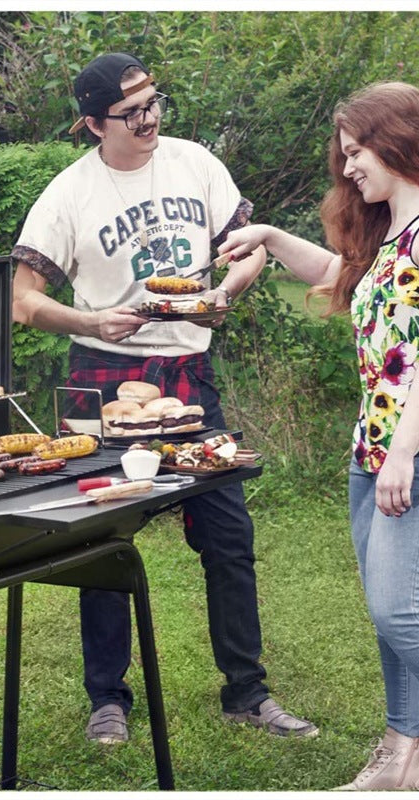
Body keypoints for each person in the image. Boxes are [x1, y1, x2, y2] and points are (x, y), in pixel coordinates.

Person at [11, 52, 318, 746]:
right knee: (101, 541)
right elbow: (22, 301)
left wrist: (223, 294)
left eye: (154, 102)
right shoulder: (69, 194)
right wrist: (89, 320)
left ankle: (248, 692)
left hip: (189, 373)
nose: (148, 119)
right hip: (101, 375)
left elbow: (248, 250)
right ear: (93, 124)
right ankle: (107, 701)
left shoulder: (195, 164)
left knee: (228, 535)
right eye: (130, 112)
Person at [219, 80, 419, 791]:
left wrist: (403, 451)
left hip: (409, 451)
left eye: (358, 151)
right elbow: (343, 278)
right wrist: (270, 238)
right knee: (384, 615)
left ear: (398, 139)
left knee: (401, 611)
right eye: (346, 155)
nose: (351, 167)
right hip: (373, 448)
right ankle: (400, 758)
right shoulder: (389, 230)